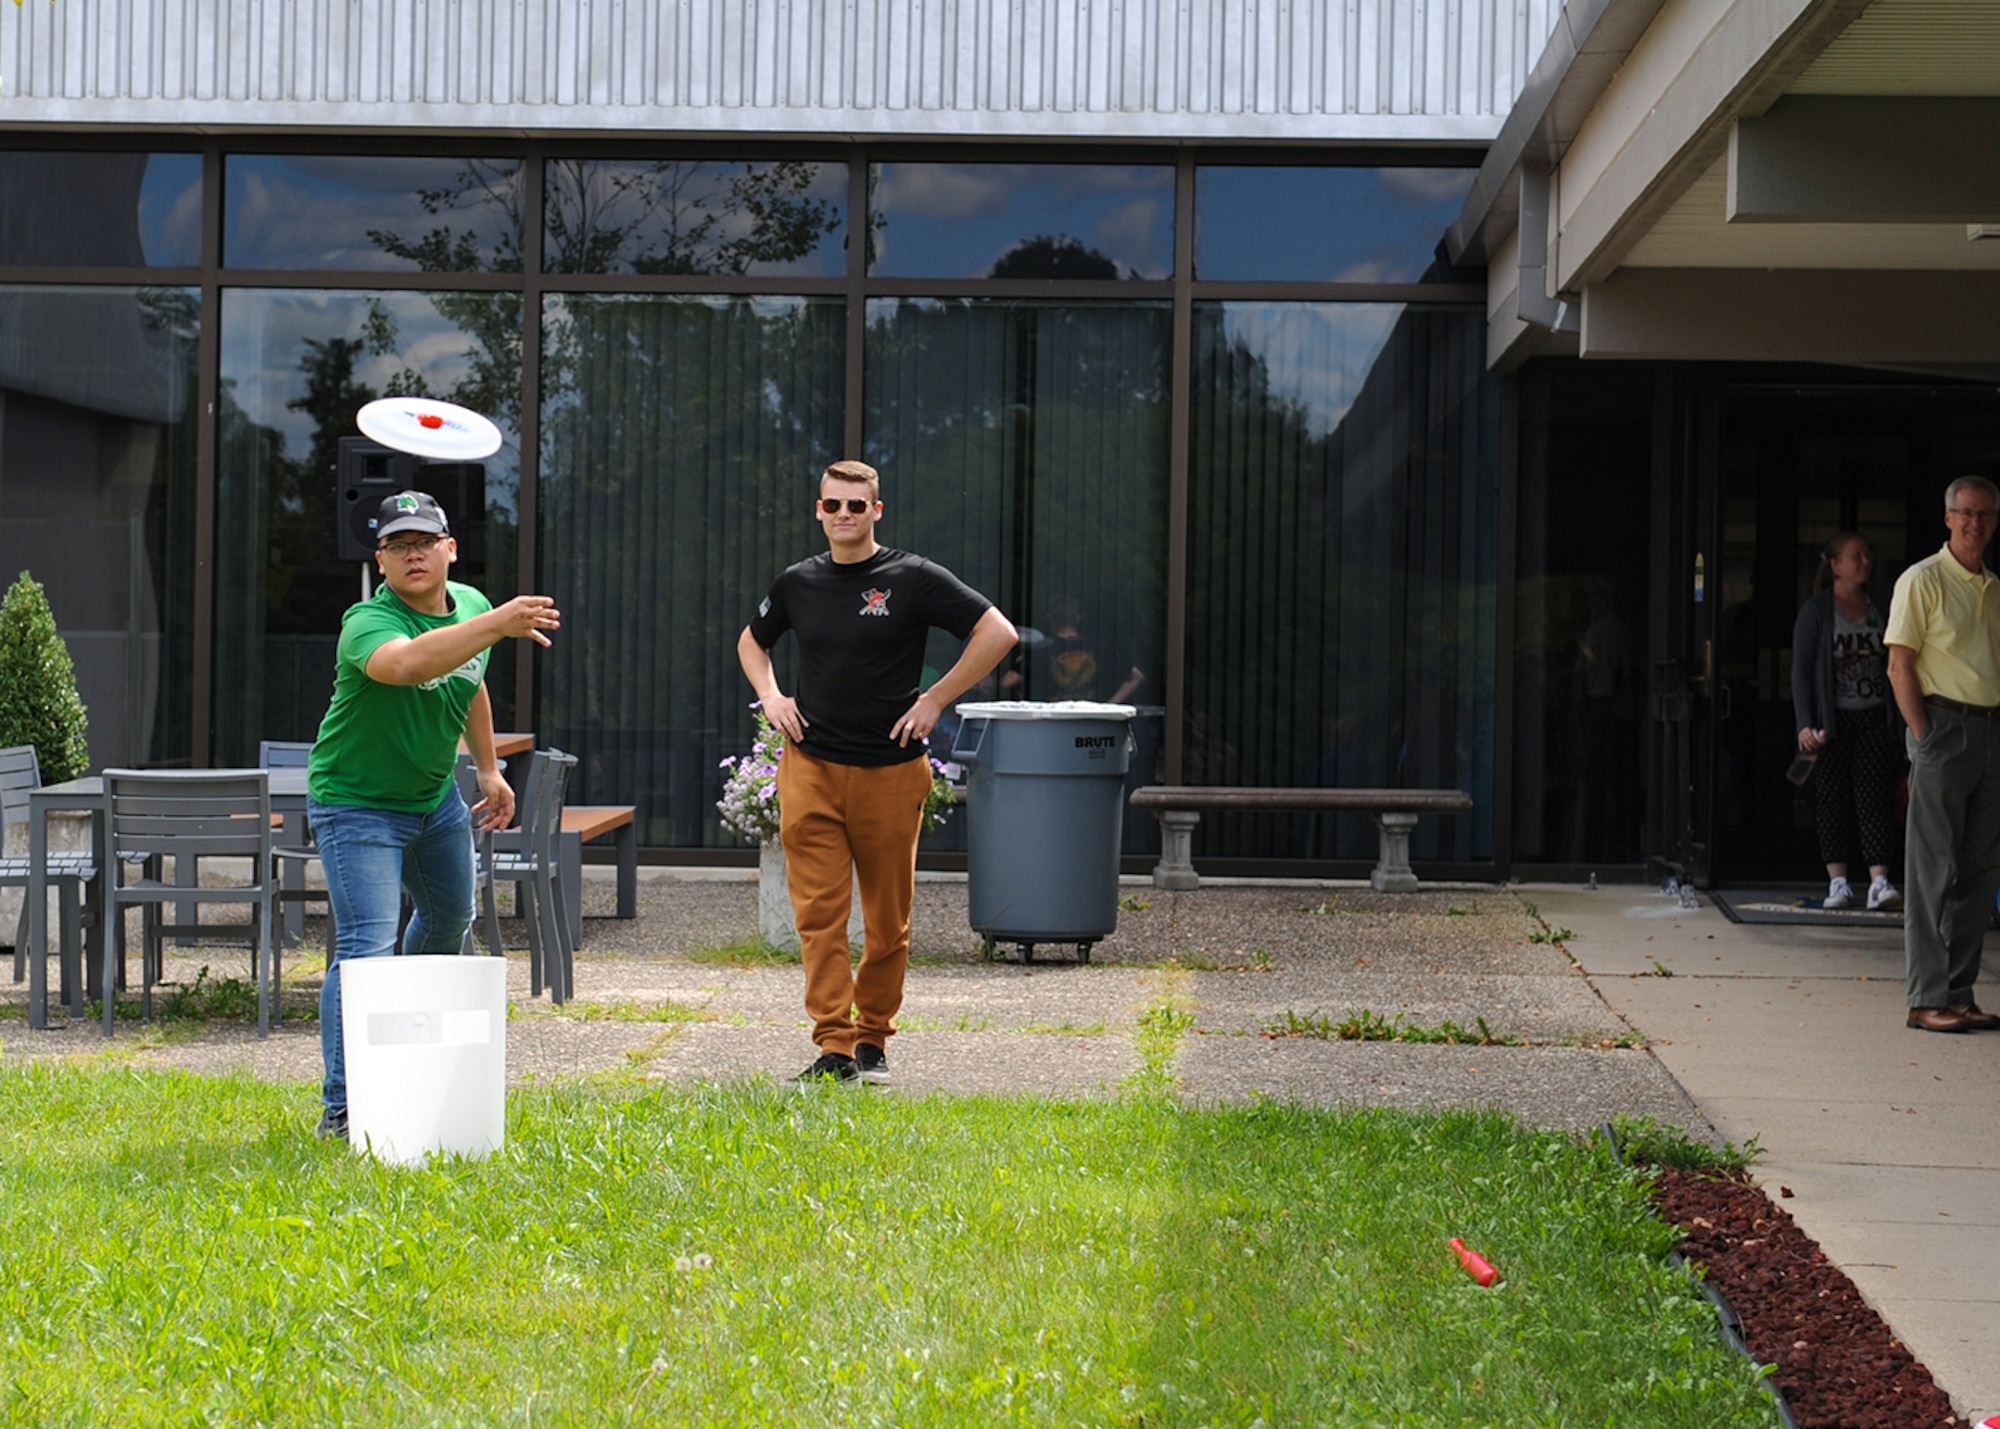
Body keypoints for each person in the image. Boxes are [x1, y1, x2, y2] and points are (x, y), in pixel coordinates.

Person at [737, 459, 1017, 1083]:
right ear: (818, 510)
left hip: (890, 775)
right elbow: (752, 641)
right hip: (810, 768)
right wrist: (774, 697)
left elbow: (997, 633)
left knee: (888, 923)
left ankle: (873, 1040)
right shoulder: (797, 583)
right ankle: (834, 1047)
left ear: (876, 512)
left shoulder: (911, 578)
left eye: (856, 506)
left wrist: (937, 698)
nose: (843, 516)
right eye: (832, 505)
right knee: (819, 917)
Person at [307, 489, 561, 1135]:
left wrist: (486, 765)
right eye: (398, 544)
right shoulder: (367, 621)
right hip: (356, 804)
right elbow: (411, 662)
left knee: (452, 916)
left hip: (432, 798)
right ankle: (345, 1109)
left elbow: (466, 677)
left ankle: (404, 1049)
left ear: (450, 549)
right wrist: (495, 623)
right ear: (382, 560)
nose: (412, 552)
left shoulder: (473, 607)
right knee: (365, 951)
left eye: (424, 541)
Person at [1885, 476, 2000, 1034]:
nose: (1975, 522)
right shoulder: (1921, 580)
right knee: (1933, 867)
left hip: (1989, 733)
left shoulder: (1994, 587)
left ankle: (1958, 993)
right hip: (1943, 727)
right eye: (1966, 513)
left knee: (1979, 870)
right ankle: (1925, 996)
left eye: (1985, 514)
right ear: (1948, 518)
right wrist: (1923, 733)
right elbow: (1898, 664)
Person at [1791, 532, 1901, 911]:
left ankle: (1878, 883)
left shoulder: (1879, 607)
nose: (1866, 562)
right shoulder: (1817, 611)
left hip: (1873, 716)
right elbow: (1801, 671)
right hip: (1831, 723)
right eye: (1857, 556)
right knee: (1832, 801)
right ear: (1836, 566)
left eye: (1868, 555)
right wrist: (1805, 723)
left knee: (1874, 799)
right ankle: (1838, 883)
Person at [1002, 593, 1144, 704]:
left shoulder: (1038, 653)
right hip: (1089, 723)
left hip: (1053, 724)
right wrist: (1110, 705)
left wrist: (1026, 705)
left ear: (1050, 618)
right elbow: (1136, 676)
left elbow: (1009, 682)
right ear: (1077, 618)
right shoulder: (1098, 650)